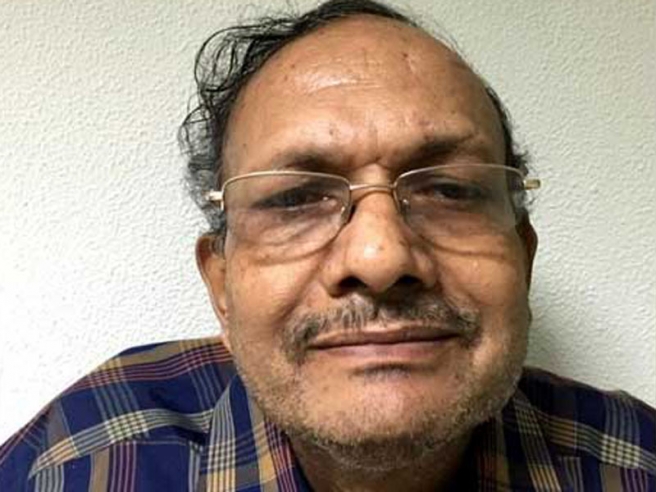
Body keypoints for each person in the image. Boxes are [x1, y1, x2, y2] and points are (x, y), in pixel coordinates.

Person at [1, 0, 654, 490]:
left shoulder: (636, 466)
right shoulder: (74, 466)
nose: (379, 259)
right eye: (295, 198)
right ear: (221, 285)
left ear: (523, 258)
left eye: (449, 190)